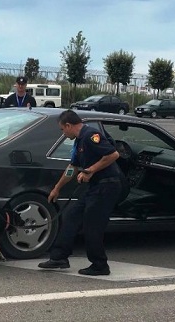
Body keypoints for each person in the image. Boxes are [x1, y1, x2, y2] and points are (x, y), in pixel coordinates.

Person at [38, 109, 123, 276]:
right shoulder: (78, 141)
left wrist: (90, 170)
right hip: (95, 187)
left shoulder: (91, 136)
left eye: (62, 129)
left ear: (69, 125)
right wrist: (57, 188)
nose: (63, 133)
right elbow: (72, 168)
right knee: (70, 216)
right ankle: (59, 257)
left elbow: (113, 154)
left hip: (107, 186)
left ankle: (100, 265)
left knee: (92, 225)